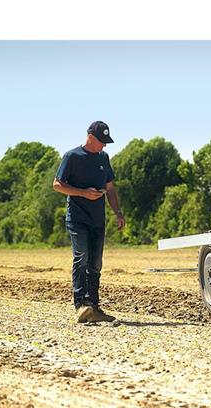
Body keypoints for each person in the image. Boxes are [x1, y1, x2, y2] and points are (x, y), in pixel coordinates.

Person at [53, 121, 126, 323]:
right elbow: (57, 185)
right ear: (90, 137)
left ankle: (94, 307)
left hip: (97, 219)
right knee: (82, 257)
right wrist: (83, 193)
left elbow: (110, 188)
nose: (104, 145)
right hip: (77, 218)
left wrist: (118, 213)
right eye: (102, 141)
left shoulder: (103, 158)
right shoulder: (72, 156)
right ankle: (80, 306)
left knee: (95, 263)